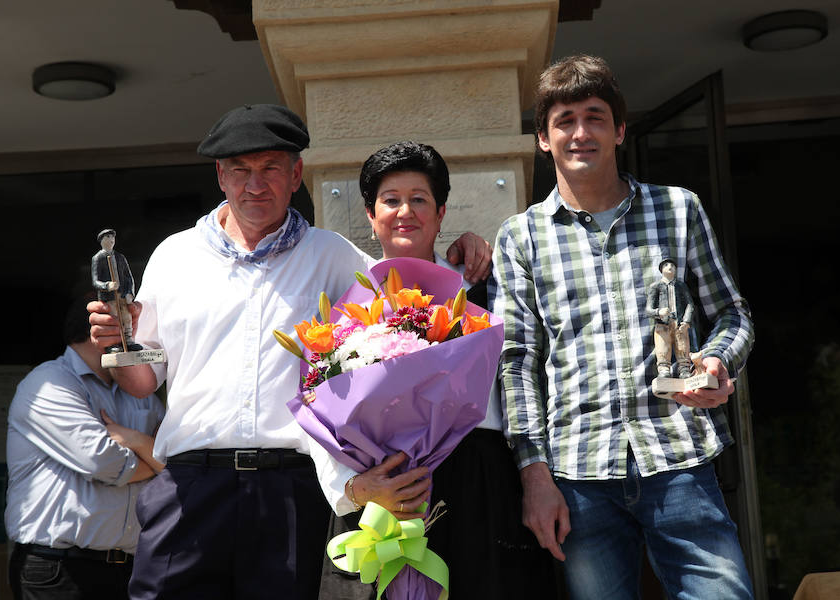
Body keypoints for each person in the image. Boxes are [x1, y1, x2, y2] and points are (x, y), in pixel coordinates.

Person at [87, 105, 492, 600]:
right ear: (220, 176)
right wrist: (118, 343)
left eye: (270, 168)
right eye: (240, 170)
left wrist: (465, 254)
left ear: (296, 175)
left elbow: (404, 306)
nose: (254, 184)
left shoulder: (334, 256)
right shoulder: (175, 256)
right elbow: (145, 379)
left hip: (291, 491)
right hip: (189, 487)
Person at [492, 55, 756, 599]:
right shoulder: (520, 237)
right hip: (578, 471)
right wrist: (533, 475)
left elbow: (732, 314)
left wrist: (716, 361)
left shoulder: (679, 209)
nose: (580, 133)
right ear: (543, 139)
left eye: (595, 117)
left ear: (619, 130)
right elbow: (516, 364)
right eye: (564, 121)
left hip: (679, 455)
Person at [317, 141, 557, 600]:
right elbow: (320, 409)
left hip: (477, 482)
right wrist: (354, 487)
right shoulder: (346, 308)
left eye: (419, 199)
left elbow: (519, 378)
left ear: (441, 212)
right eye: (390, 200)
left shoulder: (481, 291)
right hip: (385, 484)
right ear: (370, 215)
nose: (405, 211)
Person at [6, 295, 164, 600]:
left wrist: (135, 440)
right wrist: (154, 458)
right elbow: (104, 463)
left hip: (130, 570)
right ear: (98, 329)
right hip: (60, 568)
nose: (140, 340)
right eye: (130, 328)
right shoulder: (49, 382)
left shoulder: (139, 394)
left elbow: (177, 463)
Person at [92, 229, 141, 353]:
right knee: (113, 319)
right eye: (107, 237)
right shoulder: (98, 258)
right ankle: (114, 343)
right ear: (101, 240)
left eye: (112, 237)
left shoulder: (120, 257)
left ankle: (128, 340)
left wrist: (129, 292)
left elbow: (128, 277)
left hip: (122, 294)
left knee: (126, 317)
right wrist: (107, 285)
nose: (111, 240)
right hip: (109, 297)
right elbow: (95, 281)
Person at [646, 258, 695, 378]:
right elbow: (648, 310)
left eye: (672, 265)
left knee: (682, 347)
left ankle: (684, 369)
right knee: (662, 348)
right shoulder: (655, 286)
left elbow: (690, 304)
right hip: (662, 324)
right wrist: (659, 312)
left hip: (679, 323)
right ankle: (663, 369)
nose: (670, 267)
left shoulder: (681, 286)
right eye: (666, 265)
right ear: (661, 269)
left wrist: (686, 321)